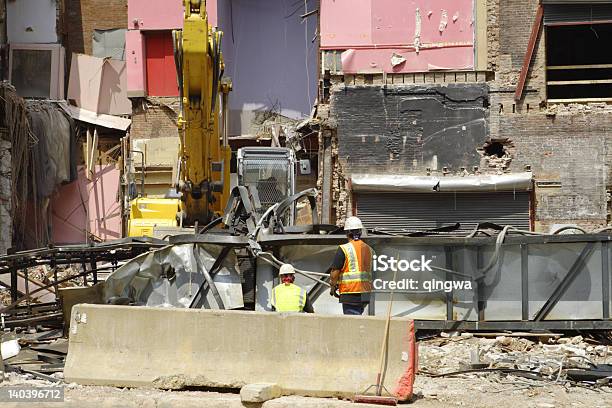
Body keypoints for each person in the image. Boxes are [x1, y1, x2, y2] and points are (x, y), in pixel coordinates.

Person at [329, 216, 374, 315]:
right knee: (358, 318)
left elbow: (334, 273)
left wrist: (333, 287)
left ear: (347, 233)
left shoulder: (344, 249)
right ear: (360, 232)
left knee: (352, 323)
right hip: (365, 293)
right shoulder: (369, 249)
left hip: (350, 293)